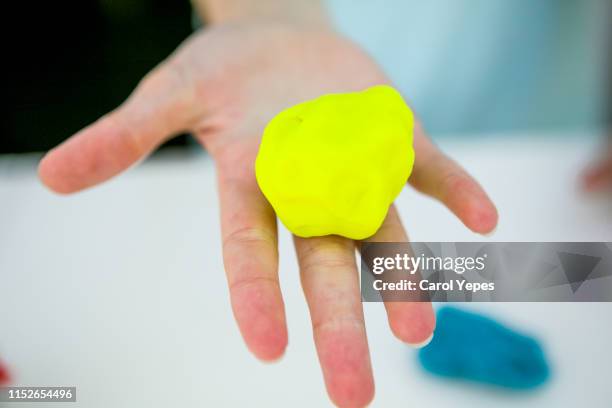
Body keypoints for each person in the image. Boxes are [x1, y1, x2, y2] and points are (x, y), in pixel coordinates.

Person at [37, 1, 500, 406]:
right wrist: (266, 11)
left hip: (510, 89)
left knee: (539, 268)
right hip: (270, 86)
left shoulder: (379, 117)